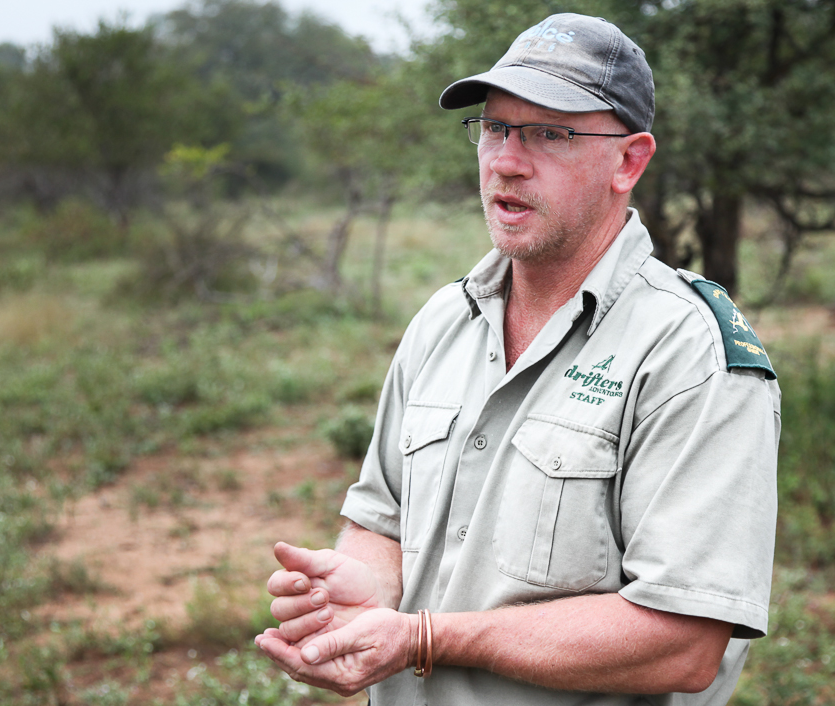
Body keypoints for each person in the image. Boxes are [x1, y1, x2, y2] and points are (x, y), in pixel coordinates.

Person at [255, 12, 781, 706]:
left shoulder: (689, 354)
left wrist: (425, 638)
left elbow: (683, 642)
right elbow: (380, 519)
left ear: (629, 160)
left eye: (550, 133)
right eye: (496, 128)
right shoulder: (444, 320)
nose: (506, 159)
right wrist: (362, 581)